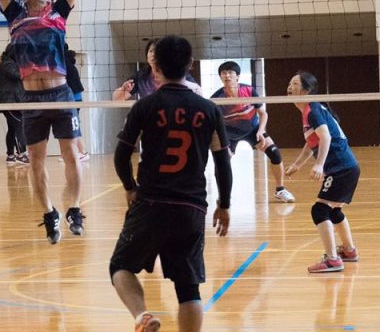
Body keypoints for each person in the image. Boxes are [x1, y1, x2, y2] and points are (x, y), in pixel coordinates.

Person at [109, 35, 232, 332]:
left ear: (155, 67)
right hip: (190, 207)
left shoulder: (145, 106)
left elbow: (121, 155)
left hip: (150, 203)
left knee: (120, 267)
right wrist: (224, 204)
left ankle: (142, 314)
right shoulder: (209, 110)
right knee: (188, 289)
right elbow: (223, 164)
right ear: (189, 66)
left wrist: (130, 188)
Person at [0, 0, 81, 243]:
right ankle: (49, 212)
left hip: (60, 94)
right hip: (31, 100)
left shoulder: (58, 13)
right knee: (36, 163)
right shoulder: (16, 16)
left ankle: (73, 207)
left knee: (71, 153)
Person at [284, 72, 361, 273]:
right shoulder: (309, 111)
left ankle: (333, 260)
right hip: (346, 166)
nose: (289, 86)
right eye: (289, 83)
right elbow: (312, 144)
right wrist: (297, 165)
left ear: (306, 90)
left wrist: (319, 165)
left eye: (294, 83)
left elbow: (325, 138)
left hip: (341, 167)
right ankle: (349, 250)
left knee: (319, 210)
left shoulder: (313, 110)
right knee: (333, 211)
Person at [210, 61, 295, 203]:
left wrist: (261, 131)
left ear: (237, 76)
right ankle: (223, 195)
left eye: (230, 73)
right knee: (222, 162)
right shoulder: (217, 98)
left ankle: (280, 190)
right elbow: (215, 124)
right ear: (220, 77)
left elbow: (263, 113)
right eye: (224, 73)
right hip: (229, 134)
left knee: (274, 152)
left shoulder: (249, 91)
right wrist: (223, 143)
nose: (227, 76)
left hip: (253, 130)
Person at [112, 39, 201, 102]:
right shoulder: (141, 77)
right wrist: (123, 90)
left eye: (156, 52)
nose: (153, 55)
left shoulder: (177, 73)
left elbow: (197, 94)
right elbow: (116, 99)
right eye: (150, 51)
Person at [0, 44, 28, 165]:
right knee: (19, 124)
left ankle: (10, 155)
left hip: (14, 102)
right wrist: (31, 68)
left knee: (12, 128)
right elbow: (18, 75)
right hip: (8, 102)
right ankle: (22, 154)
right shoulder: (7, 64)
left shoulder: (11, 63)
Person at [65, 48, 89, 162]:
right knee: (71, 126)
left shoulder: (66, 66)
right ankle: (76, 152)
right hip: (74, 99)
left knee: (74, 126)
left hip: (73, 100)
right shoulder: (69, 65)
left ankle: (83, 152)